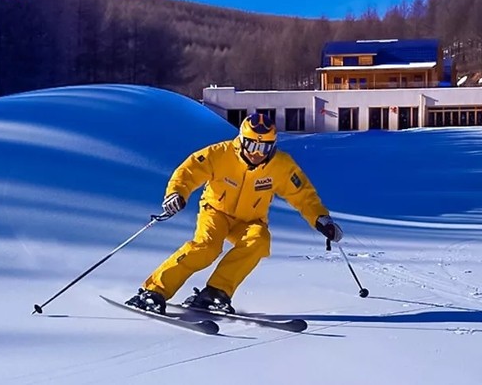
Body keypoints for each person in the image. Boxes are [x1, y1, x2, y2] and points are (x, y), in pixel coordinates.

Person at [126, 113, 343, 314]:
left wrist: (320, 217)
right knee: (207, 247)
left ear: (273, 146)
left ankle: (216, 292)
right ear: (241, 140)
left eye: (264, 147)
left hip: (250, 220)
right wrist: (176, 193)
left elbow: (303, 194)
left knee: (259, 241)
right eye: (251, 145)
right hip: (216, 212)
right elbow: (188, 171)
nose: (257, 153)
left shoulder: (281, 166)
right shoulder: (219, 154)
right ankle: (153, 291)